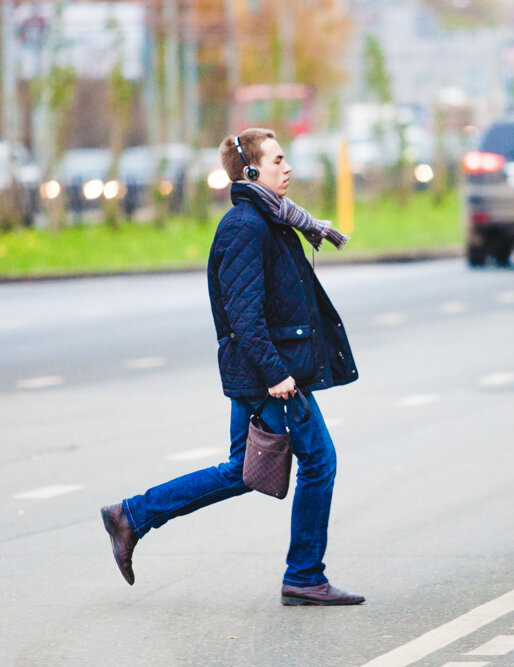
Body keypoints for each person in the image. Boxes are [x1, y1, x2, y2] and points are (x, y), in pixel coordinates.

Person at [100, 128, 363, 606]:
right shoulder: (247, 226)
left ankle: (132, 516)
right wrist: (276, 373)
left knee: (242, 471)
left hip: (266, 371)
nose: (288, 168)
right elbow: (244, 315)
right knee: (319, 462)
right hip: (270, 375)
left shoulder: (273, 220)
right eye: (278, 160)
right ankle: (304, 574)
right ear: (253, 171)